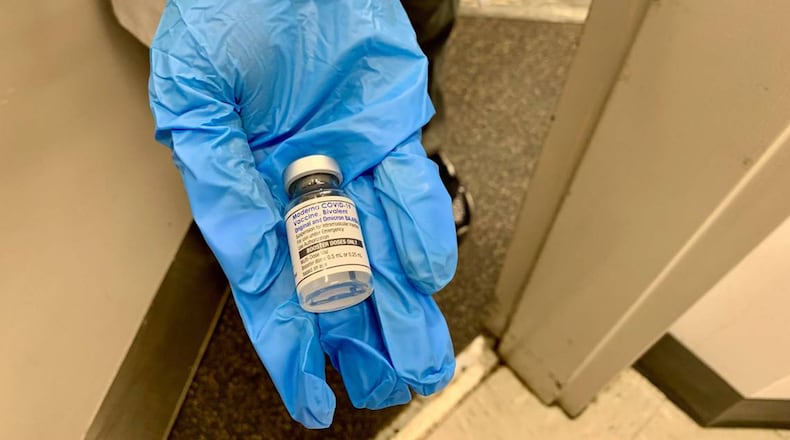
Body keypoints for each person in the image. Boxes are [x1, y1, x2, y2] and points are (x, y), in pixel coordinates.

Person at [148, 0, 467, 429]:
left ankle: (425, 147)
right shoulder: (201, 40)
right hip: (222, 37)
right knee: (235, 184)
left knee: (414, 53)